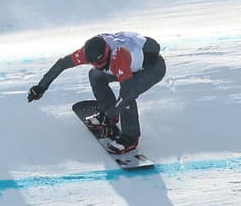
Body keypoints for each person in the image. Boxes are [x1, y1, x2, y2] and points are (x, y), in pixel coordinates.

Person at [27, 32, 165, 153]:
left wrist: (109, 117)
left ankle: (130, 138)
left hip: (152, 68)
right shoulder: (85, 53)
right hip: (128, 64)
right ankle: (108, 110)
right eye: (95, 63)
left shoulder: (119, 57)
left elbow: (127, 95)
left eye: (103, 63)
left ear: (107, 55)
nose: (100, 66)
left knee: (129, 96)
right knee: (95, 75)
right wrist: (41, 86)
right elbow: (62, 64)